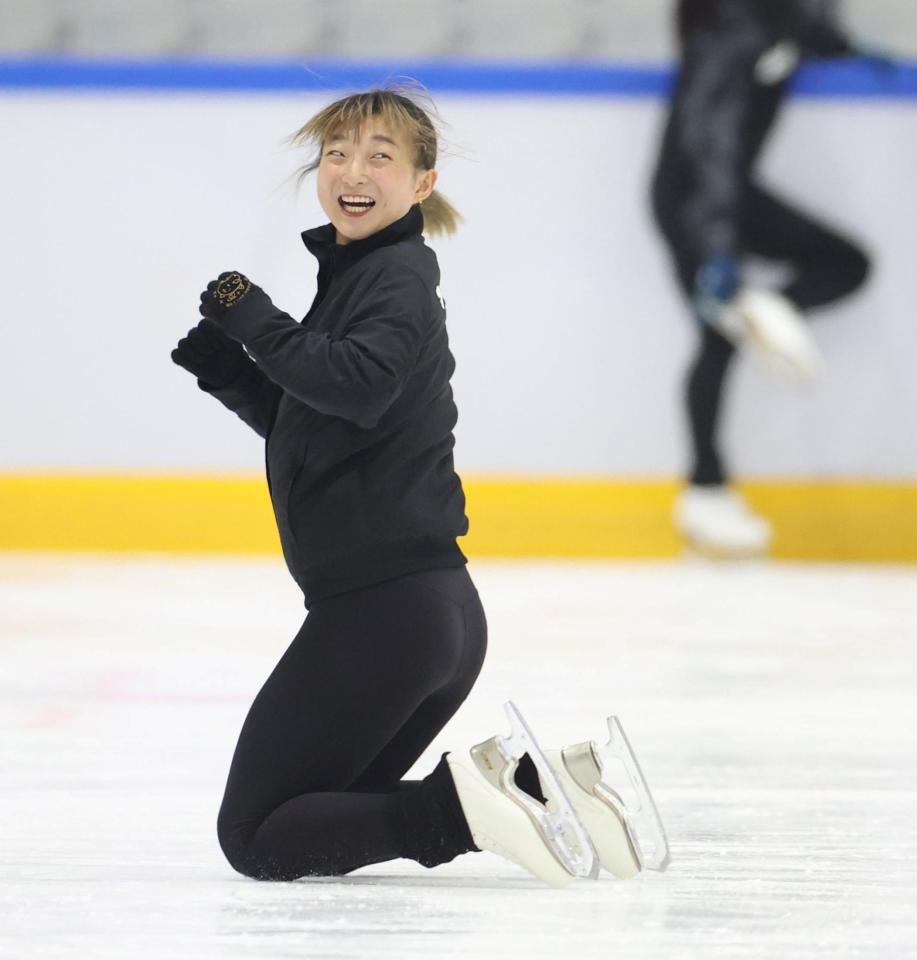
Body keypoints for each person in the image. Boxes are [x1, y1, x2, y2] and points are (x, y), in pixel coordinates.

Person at [171, 88, 669, 887]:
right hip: (424, 614)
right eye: (336, 154)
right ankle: (554, 791)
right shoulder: (363, 276)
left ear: (422, 183)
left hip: (384, 614)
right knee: (322, 810)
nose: (352, 172)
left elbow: (357, 384)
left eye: (380, 157)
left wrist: (256, 321)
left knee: (256, 836)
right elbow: (332, 430)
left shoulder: (394, 276)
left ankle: (467, 811)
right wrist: (237, 378)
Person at [651, 0, 889, 556]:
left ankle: (765, 309)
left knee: (844, 264)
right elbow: (712, 142)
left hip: (728, 195)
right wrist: (717, 247)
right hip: (694, 200)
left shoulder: (779, 27)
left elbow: (814, 30)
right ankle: (705, 490)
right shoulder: (732, 34)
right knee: (717, 335)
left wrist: (846, 48)